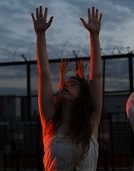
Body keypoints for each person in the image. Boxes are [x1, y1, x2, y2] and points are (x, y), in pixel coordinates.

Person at [31, 6, 103, 170]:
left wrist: (94, 36)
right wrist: (40, 35)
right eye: (65, 85)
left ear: (82, 94)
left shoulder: (91, 122)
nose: (66, 86)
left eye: (73, 84)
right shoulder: (50, 121)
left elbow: (96, 78)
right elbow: (44, 76)